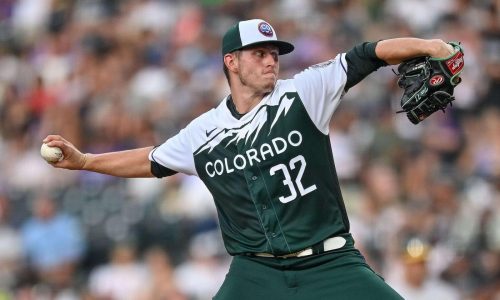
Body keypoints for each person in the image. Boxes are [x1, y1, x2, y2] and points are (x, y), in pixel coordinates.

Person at [43, 18, 459, 299]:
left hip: (330, 261)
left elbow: (367, 53)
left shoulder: (303, 93)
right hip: (254, 272)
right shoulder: (203, 131)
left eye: (274, 53)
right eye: (258, 53)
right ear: (231, 61)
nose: (270, 60)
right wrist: (86, 161)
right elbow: (152, 161)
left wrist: (433, 45)